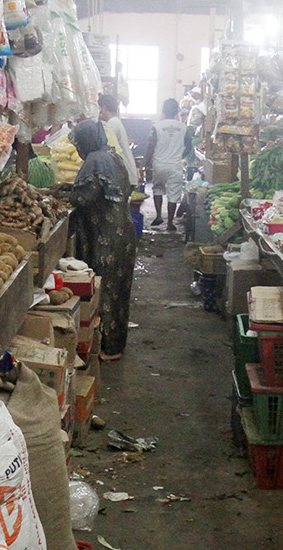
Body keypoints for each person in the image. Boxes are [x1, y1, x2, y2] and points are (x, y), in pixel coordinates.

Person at [63, 120, 136, 362]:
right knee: (119, 291)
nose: (78, 150)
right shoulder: (112, 156)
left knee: (104, 290)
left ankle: (106, 346)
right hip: (123, 233)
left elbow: (85, 197)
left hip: (107, 238)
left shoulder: (95, 159)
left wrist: (65, 196)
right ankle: (115, 344)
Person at [145, 98, 192, 230]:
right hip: (175, 165)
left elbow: (151, 146)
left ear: (164, 111)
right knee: (173, 194)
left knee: (157, 189)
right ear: (177, 111)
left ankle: (159, 216)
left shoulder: (156, 127)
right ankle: (170, 223)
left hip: (159, 164)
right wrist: (179, 156)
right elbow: (189, 147)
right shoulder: (184, 128)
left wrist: (146, 164)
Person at [98, 93, 138, 190]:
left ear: (103, 108)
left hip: (125, 173)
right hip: (127, 173)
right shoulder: (115, 121)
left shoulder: (113, 123)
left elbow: (105, 144)